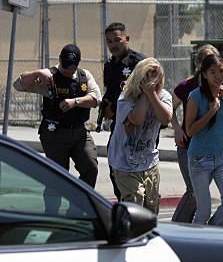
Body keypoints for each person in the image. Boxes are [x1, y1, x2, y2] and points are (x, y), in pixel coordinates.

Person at [13, 44, 101, 213]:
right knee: (57, 176)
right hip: (54, 134)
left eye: (72, 66)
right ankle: (52, 213)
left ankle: (77, 209)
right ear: (60, 60)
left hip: (79, 132)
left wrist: (75, 102)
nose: (68, 70)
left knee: (90, 167)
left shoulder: (84, 76)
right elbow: (19, 84)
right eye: (65, 65)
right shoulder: (49, 77)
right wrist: (38, 73)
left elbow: (96, 98)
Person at [170, 44, 223, 223]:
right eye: (206, 62)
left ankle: (197, 227)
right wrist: (177, 129)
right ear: (199, 66)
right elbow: (169, 108)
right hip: (188, 147)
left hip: (214, 150)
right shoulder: (187, 86)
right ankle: (179, 226)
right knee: (194, 192)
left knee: (200, 196)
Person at [107, 58, 172, 214]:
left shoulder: (163, 97)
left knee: (151, 210)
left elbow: (166, 118)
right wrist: (146, 95)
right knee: (135, 207)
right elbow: (136, 119)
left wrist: (153, 96)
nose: (151, 81)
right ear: (139, 78)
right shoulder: (126, 97)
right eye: (147, 77)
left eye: (155, 77)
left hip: (149, 162)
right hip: (124, 163)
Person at [185, 53, 223, 226]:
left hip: (222, 157)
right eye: (212, 72)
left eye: (221, 71)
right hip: (199, 159)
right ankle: (195, 246)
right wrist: (210, 112)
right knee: (203, 211)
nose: (218, 76)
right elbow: (190, 130)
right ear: (204, 74)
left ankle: (213, 234)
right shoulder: (195, 97)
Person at [102, 22, 146, 200]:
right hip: (117, 124)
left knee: (138, 170)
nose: (113, 45)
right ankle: (123, 203)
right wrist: (107, 108)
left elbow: (147, 92)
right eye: (109, 41)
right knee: (115, 165)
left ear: (127, 39)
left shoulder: (139, 63)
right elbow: (110, 94)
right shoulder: (110, 65)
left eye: (117, 40)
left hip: (139, 125)